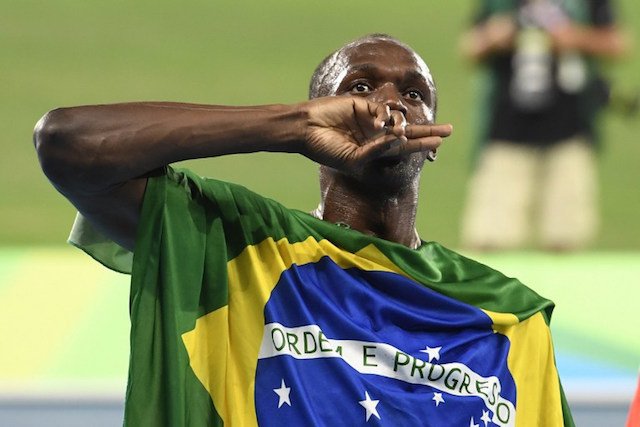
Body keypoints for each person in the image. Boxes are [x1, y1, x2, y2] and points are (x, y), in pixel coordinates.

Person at [34, 34, 574, 425]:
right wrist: (291, 125)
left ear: (432, 140)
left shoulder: (508, 317)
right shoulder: (237, 244)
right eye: (360, 87)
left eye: (414, 95)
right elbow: (67, 143)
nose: (388, 105)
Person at [459, 0, 628, 252]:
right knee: (490, 238)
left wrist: (575, 39)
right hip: (506, 130)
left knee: (566, 237)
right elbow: (468, 47)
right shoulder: (500, 4)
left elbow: (618, 43)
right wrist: (494, 37)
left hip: (569, 129)